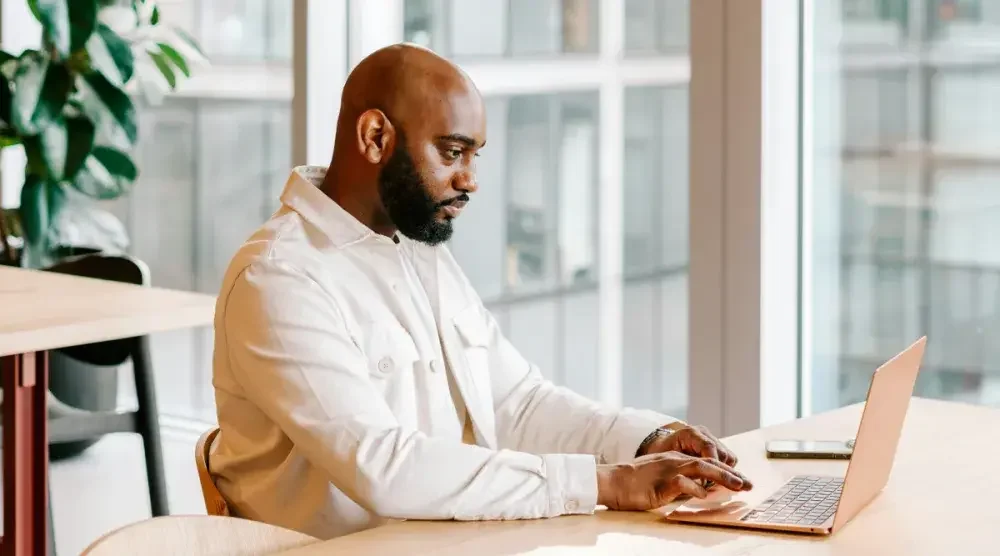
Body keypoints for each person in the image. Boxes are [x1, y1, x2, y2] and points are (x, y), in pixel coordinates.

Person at [210, 43, 752, 540]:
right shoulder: (278, 277)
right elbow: (384, 467)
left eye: (475, 156)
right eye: (452, 153)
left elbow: (516, 404)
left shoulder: (419, 252)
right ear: (375, 137)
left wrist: (647, 440)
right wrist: (605, 484)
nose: (470, 179)